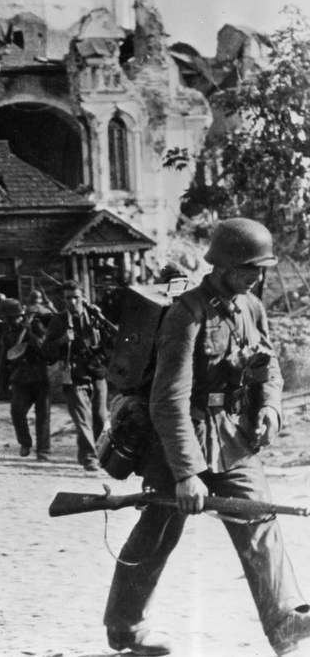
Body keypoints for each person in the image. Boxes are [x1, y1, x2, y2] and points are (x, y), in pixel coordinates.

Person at [103, 218, 310, 657]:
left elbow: (266, 365)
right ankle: (125, 628)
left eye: (261, 269)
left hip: (232, 438)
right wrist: (187, 473)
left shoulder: (251, 306)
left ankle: (285, 624)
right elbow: (167, 400)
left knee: (259, 520)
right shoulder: (186, 314)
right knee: (157, 532)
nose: (258, 277)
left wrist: (270, 406)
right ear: (224, 265)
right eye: (250, 268)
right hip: (180, 440)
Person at [46, 280, 113, 473]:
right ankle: (89, 457)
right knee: (83, 419)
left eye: (76, 297)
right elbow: (46, 350)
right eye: (68, 298)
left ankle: (92, 453)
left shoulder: (94, 316)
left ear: (83, 297)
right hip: (74, 373)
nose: (73, 301)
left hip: (97, 371)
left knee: (100, 418)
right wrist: (61, 341)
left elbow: (112, 342)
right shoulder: (59, 320)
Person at [2, 298, 52, 461]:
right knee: (17, 411)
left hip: (39, 375)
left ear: (21, 316)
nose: (12, 321)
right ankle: (25, 442)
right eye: (9, 318)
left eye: (15, 317)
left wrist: (30, 335)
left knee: (43, 414)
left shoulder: (34, 326)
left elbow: (44, 348)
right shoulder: (8, 332)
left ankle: (43, 450)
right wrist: (2, 382)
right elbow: (5, 358)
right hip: (20, 377)